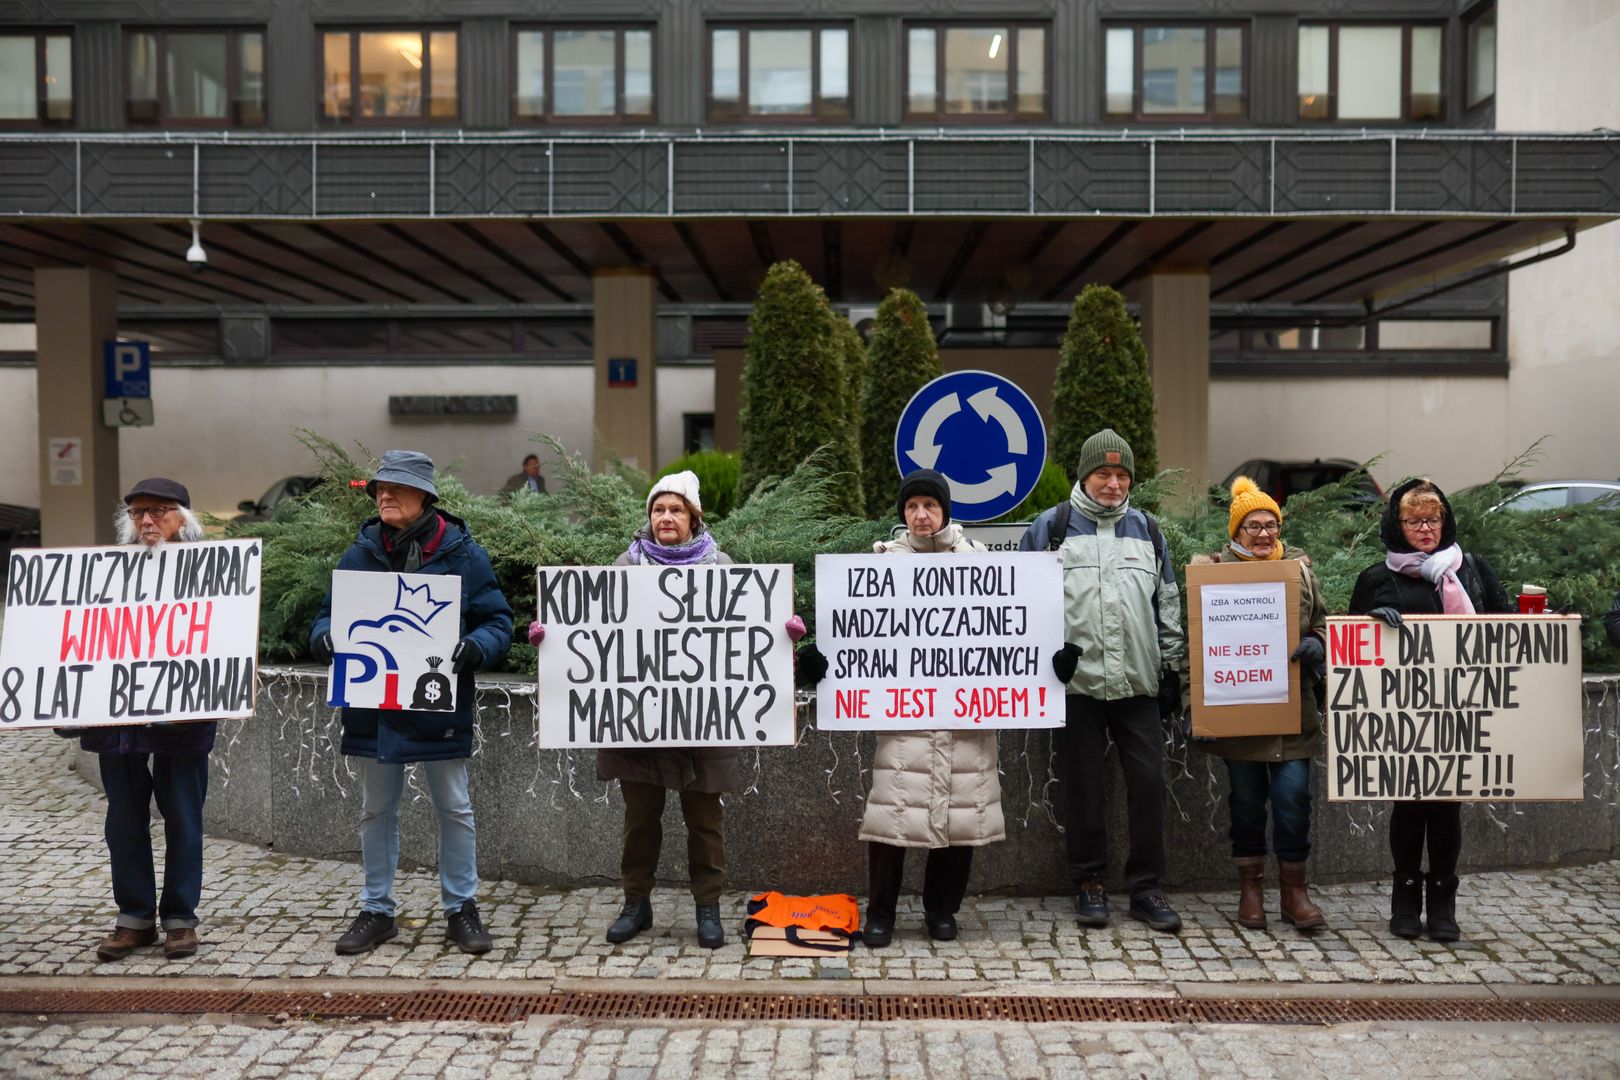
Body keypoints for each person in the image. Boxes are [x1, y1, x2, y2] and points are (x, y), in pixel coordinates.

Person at [530, 471, 768, 949]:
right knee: (640, 821)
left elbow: (743, 635)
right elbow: (595, 635)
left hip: (703, 722)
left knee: (705, 823)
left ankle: (708, 908)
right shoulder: (625, 566)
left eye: (676, 510)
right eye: (659, 510)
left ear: (693, 518)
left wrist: (780, 634)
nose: (666, 518)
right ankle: (635, 904)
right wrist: (551, 639)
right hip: (637, 722)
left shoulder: (721, 567)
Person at [311, 450, 513, 956]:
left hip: (438, 706)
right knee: (376, 810)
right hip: (374, 709)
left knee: (456, 808)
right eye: (380, 487)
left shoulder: (465, 554)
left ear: (425, 497)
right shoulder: (359, 552)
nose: (384, 495)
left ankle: (461, 909)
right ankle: (376, 910)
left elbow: (498, 623)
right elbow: (325, 617)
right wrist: (325, 639)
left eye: (396, 488)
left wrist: (477, 647)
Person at [797, 470, 1005, 947]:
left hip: (965, 718)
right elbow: (857, 635)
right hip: (903, 716)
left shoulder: (981, 564)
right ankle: (882, 913)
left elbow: (1012, 630)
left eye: (930, 505)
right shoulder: (879, 567)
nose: (920, 514)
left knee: (960, 816)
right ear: (902, 514)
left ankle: (941, 911)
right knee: (891, 816)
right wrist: (823, 663)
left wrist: (1046, 668)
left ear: (945, 510)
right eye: (912, 507)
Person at [1017, 429, 1187, 933]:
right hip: (1076, 688)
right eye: (1103, 474)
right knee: (1083, 789)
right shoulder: (1051, 528)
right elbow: (1021, 607)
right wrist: (1044, 661)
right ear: (1084, 475)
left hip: (1138, 684)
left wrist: (1173, 671)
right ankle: (1089, 883)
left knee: (1150, 786)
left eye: (1121, 475)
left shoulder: (1149, 530)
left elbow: (1169, 606)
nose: (1113, 483)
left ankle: (1146, 889)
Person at [1348, 477, 1512, 943]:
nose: (1425, 528)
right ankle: (1404, 901)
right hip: (1404, 714)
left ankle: (1442, 902)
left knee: (1446, 808)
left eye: (1433, 518)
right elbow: (1352, 646)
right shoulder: (1377, 578)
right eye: (1414, 520)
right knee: (1409, 805)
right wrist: (1372, 622)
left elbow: (1505, 626)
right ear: (1397, 525)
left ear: (1445, 521)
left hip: (1462, 705)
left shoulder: (1472, 569)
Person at [59, 479, 213, 961]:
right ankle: (134, 918)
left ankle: (180, 919)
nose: (147, 521)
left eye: (159, 512)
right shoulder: (103, 574)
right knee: (123, 820)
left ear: (183, 519)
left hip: (183, 718)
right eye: (138, 513)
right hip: (117, 721)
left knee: (183, 817)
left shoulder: (212, 573)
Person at [1191, 477, 1328, 932]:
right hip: (1240, 713)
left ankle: (1294, 892)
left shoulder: (1301, 570)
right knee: (1246, 805)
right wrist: (1201, 708)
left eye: (1271, 524)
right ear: (1236, 531)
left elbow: (1323, 625)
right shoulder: (1214, 574)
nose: (1265, 533)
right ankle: (1250, 890)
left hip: (1294, 713)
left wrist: (1317, 645)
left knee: (1293, 802)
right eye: (1253, 525)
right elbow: (1197, 645)